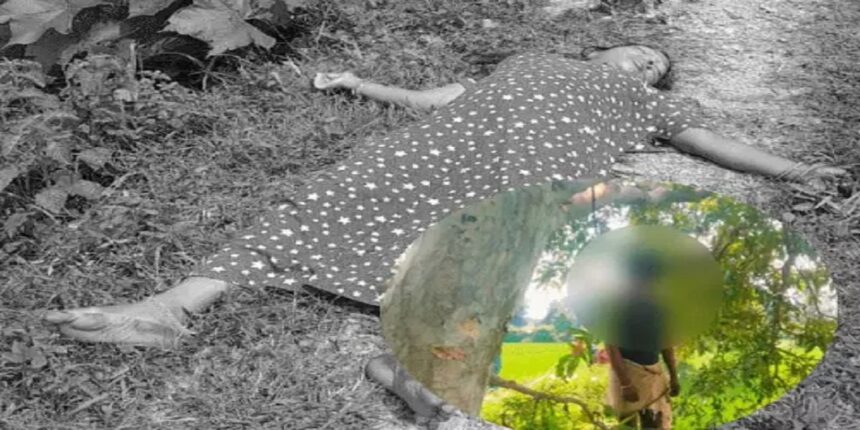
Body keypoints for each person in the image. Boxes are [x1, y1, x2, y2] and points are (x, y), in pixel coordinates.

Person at [41, 44, 844, 418]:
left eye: (655, 67)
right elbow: (434, 99)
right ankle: (171, 307)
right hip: (444, 145)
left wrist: (795, 170)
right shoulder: (528, 61)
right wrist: (357, 82)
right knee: (336, 195)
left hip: (545, 158)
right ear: (602, 45)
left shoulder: (645, 104)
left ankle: (427, 376)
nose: (642, 66)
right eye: (638, 53)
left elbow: (711, 142)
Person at [605, 250, 679, 429]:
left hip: (653, 373)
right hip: (628, 373)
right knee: (627, 425)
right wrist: (625, 383)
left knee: (654, 424)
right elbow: (611, 347)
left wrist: (673, 376)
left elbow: (666, 344)